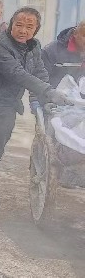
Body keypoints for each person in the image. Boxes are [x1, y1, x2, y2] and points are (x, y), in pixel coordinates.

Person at [0, 7, 71, 213]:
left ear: (36, 30)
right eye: (19, 25)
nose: (23, 31)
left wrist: (45, 98)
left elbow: (39, 72)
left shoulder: (34, 47)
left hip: (6, 107)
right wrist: (49, 91)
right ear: (11, 25)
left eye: (30, 27)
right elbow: (16, 73)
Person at [42, 20, 85, 189]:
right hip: (56, 100)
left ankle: (73, 169)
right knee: (59, 134)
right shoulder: (52, 51)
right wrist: (40, 100)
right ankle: (62, 167)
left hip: (80, 101)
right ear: (75, 34)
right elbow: (40, 77)